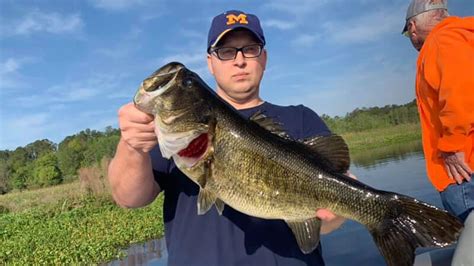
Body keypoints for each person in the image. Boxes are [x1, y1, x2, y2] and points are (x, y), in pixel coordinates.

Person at [109, 10, 349, 266]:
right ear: (210, 63)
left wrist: (337, 213)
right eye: (226, 51)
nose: (240, 60)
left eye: (250, 49)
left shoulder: (301, 119)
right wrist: (131, 145)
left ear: (264, 58)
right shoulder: (172, 134)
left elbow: (337, 190)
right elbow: (129, 198)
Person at [402, 0, 474, 265]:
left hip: (464, 171)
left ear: (413, 27)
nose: (411, 37)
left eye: (409, 32)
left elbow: (460, 91)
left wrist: (453, 146)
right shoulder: (463, 35)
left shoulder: (442, 40)